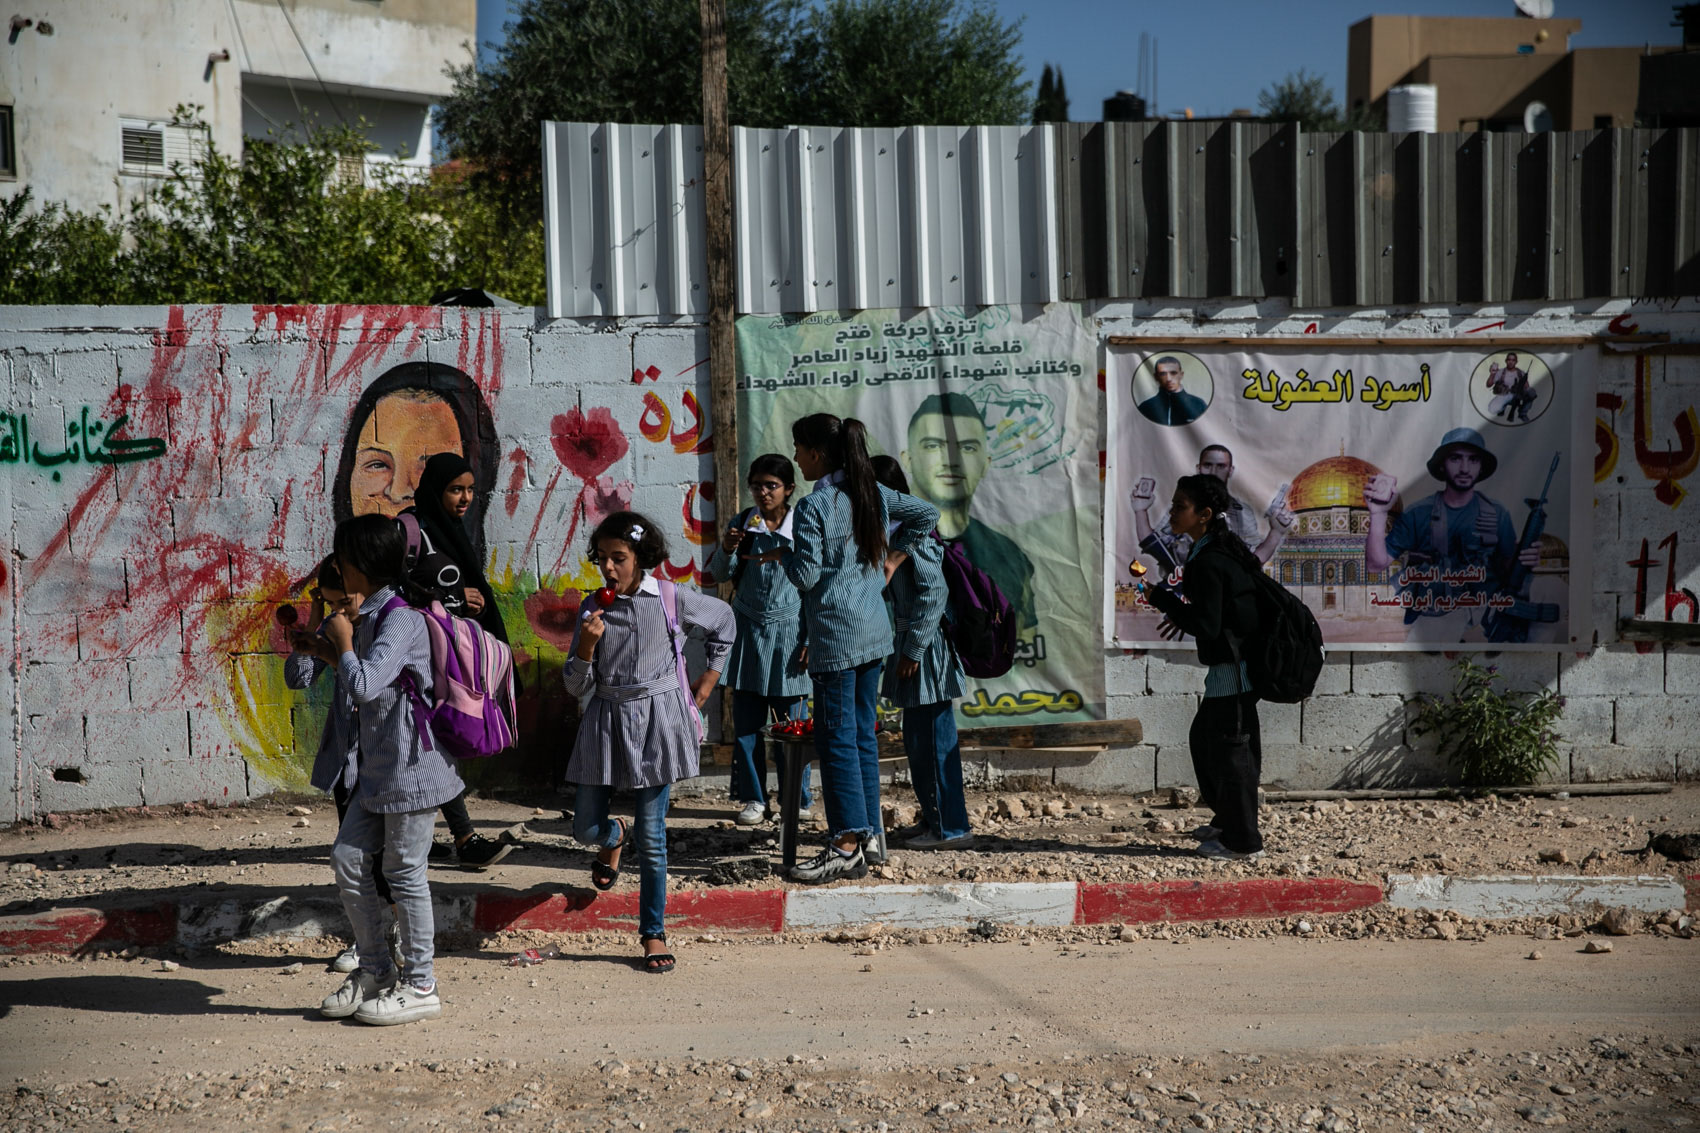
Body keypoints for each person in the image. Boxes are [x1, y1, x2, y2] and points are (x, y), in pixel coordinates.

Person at [764, 414, 938, 884]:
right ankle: (867, 838)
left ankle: (845, 843)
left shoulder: (814, 508)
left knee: (838, 738)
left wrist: (779, 552)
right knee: (860, 736)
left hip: (838, 637)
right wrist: (893, 555)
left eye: (799, 449)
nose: (796, 458)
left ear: (817, 454)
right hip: (873, 632)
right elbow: (928, 515)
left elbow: (805, 576)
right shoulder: (870, 493)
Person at [562, 511, 735, 974]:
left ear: (642, 558)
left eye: (619, 558)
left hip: (658, 722)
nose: (609, 569)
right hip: (605, 721)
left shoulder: (670, 599)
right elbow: (576, 687)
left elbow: (725, 621)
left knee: (654, 841)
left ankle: (652, 933)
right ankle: (614, 835)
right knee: (583, 829)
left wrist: (708, 681)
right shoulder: (591, 608)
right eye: (602, 559)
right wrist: (585, 649)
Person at [318, 514, 463, 1025]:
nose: (337, 567)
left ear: (362, 565)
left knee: (404, 872)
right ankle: (377, 970)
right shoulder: (370, 614)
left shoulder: (400, 618)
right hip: (380, 767)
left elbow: (367, 684)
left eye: (343, 559)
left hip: (414, 767)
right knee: (348, 859)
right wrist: (326, 647)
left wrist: (341, 641)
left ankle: (421, 984)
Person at [285, 555, 401, 976]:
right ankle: (369, 937)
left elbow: (368, 685)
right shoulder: (334, 625)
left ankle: (399, 933)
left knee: (392, 856)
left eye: (340, 602)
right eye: (327, 602)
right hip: (348, 756)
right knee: (357, 856)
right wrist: (316, 626)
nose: (336, 611)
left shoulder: (385, 624)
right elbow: (298, 677)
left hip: (386, 755)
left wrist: (344, 642)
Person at [400, 452, 515, 871]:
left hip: (445, 654)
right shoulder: (410, 529)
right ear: (435, 489)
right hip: (416, 656)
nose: (465, 498)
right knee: (435, 743)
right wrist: (449, 599)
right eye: (455, 489)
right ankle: (464, 838)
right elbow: (392, 589)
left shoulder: (450, 529)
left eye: (470, 490)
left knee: (430, 744)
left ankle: (417, 834)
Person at [1143, 474, 1266, 862]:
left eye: (1181, 506)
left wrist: (1165, 601)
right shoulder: (1209, 550)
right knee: (1205, 742)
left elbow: (1207, 625)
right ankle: (1227, 819)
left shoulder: (1211, 559)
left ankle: (1244, 842)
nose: (1172, 512)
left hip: (1236, 672)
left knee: (1234, 757)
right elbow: (1210, 614)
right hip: (1226, 673)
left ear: (1205, 514)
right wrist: (1176, 609)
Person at [871, 457, 973, 851]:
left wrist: (912, 649)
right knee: (919, 743)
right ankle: (935, 819)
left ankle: (950, 828)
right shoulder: (894, 536)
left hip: (925, 655)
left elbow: (935, 593)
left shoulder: (916, 538)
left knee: (933, 742)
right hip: (910, 651)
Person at [705, 454, 812, 827]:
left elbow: (815, 586)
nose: (763, 493)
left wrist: (810, 639)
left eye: (771, 486)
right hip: (748, 632)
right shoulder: (742, 524)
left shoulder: (803, 526)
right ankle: (754, 798)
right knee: (747, 727)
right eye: (757, 486)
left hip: (791, 633)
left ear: (788, 490)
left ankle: (795, 797)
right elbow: (719, 573)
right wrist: (729, 547)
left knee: (792, 727)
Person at [1363, 427, 1541, 642]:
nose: (1465, 468)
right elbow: (1375, 564)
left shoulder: (1497, 513)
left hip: (1486, 614)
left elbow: (1507, 571)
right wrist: (1379, 513)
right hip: (1435, 616)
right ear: (1442, 465)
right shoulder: (1418, 514)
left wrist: (1524, 559)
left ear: (1481, 467)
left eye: (1473, 460)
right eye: (1456, 459)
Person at [901, 393, 1037, 640]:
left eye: (967, 447)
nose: (951, 461)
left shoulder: (1009, 556)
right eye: (933, 445)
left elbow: (1024, 641)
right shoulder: (881, 546)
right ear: (908, 460)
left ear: (985, 464)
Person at [1132, 444, 1295, 572]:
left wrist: (1276, 532)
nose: (1213, 471)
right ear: (1199, 468)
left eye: (1221, 466)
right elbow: (1154, 545)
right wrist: (1140, 510)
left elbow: (1252, 562)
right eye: (1208, 465)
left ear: (1230, 471)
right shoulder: (1184, 509)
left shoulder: (1240, 512)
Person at [1135, 355, 1209, 426]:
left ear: (1181, 375)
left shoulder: (1199, 405)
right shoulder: (1145, 407)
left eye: (1173, 373)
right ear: (1156, 377)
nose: (1169, 379)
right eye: (1163, 374)